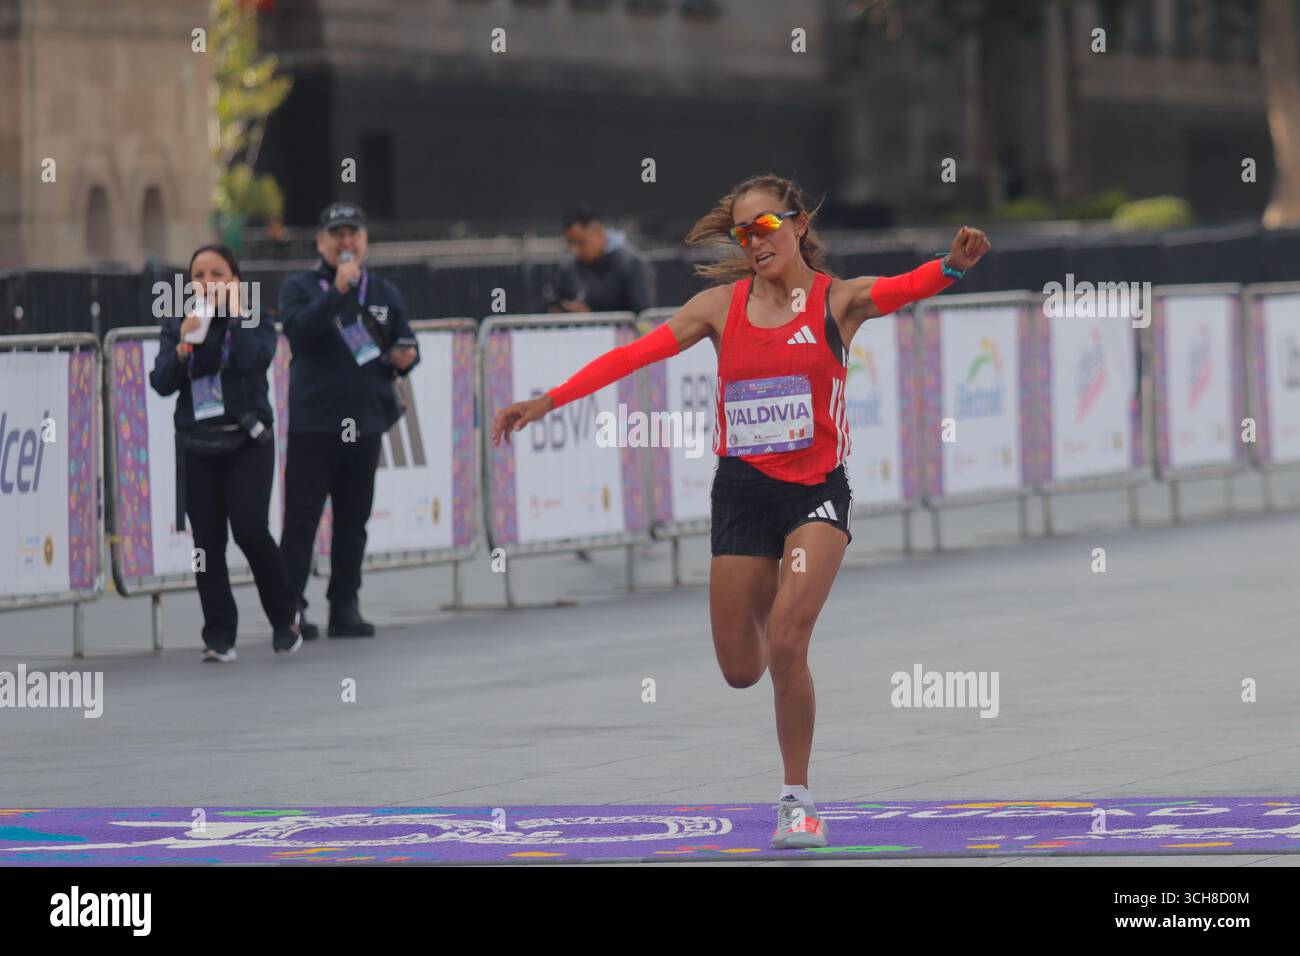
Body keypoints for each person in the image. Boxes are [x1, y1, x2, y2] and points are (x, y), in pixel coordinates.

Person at [492, 174, 989, 848]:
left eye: (766, 226)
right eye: (742, 232)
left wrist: (953, 266)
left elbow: (904, 287)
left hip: (813, 492)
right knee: (740, 668)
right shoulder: (717, 309)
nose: (755, 241)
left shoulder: (835, 302)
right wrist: (547, 400)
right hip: (742, 495)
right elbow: (632, 355)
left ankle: (797, 799)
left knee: (787, 642)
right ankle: (777, 636)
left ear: (798, 226)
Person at [150, 244, 301, 661]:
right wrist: (183, 346)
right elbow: (161, 382)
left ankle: (284, 617)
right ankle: (219, 634)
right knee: (206, 543)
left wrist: (232, 318)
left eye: (217, 274)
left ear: (235, 280)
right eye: (198, 275)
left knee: (250, 529)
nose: (206, 282)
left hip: (247, 440)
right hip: (198, 443)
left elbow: (257, 359)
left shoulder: (253, 315)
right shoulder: (179, 320)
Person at [278, 202, 420, 639]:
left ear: (364, 241)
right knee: (301, 520)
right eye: (336, 234)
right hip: (315, 422)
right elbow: (299, 331)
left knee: (353, 519)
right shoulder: (301, 286)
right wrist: (337, 291)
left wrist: (405, 358)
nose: (345, 241)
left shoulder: (383, 291)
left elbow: (405, 342)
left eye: (352, 234)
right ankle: (289, 610)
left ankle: (345, 604)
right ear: (320, 242)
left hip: (366, 420)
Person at [546, 206, 653, 315]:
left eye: (581, 243)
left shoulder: (632, 263)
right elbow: (553, 302)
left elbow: (641, 316)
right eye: (570, 243)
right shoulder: (566, 266)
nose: (574, 250)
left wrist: (592, 318)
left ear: (599, 233)